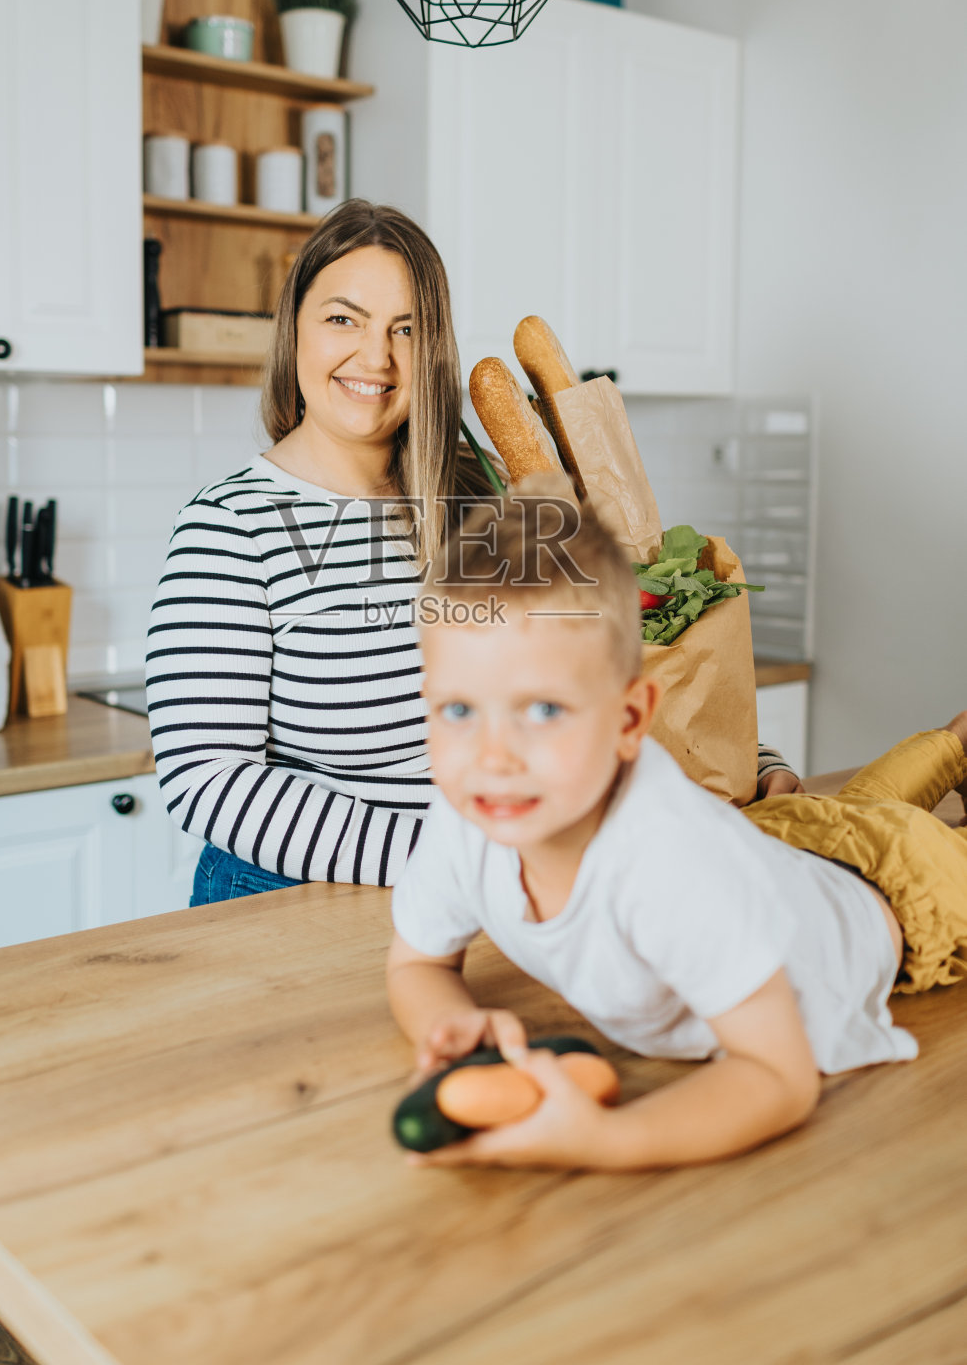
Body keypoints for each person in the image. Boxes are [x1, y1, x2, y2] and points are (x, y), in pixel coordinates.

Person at [146, 199, 798, 907]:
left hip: (504, 890)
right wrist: (455, 855)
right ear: (293, 328)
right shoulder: (232, 525)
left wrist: (738, 758)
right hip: (300, 900)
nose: (376, 356)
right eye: (343, 318)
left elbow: (606, 661)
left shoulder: (484, 489)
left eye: (406, 328)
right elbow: (207, 778)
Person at [387, 485, 967, 1171]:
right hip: (776, 841)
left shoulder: (670, 864)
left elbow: (776, 1078)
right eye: (458, 711)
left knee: (895, 830)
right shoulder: (465, 813)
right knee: (853, 807)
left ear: (629, 720)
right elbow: (417, 962)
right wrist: (448, 1024)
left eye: (541, 710)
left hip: (896, 893)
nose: (492, 756)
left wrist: (606, 1140)